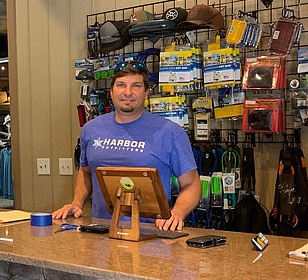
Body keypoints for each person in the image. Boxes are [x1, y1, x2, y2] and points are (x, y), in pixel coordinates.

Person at [52, 62, 200, 231]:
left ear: (146, 93)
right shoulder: (91, 129)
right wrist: (76, 203)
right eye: (121, 85)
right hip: (101, 234)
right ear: (112, 92)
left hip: (151, 236)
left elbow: (192, 184)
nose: (128, 92)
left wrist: (177, 213)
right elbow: (85, 172)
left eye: (136, 86)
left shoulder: (170, 132)